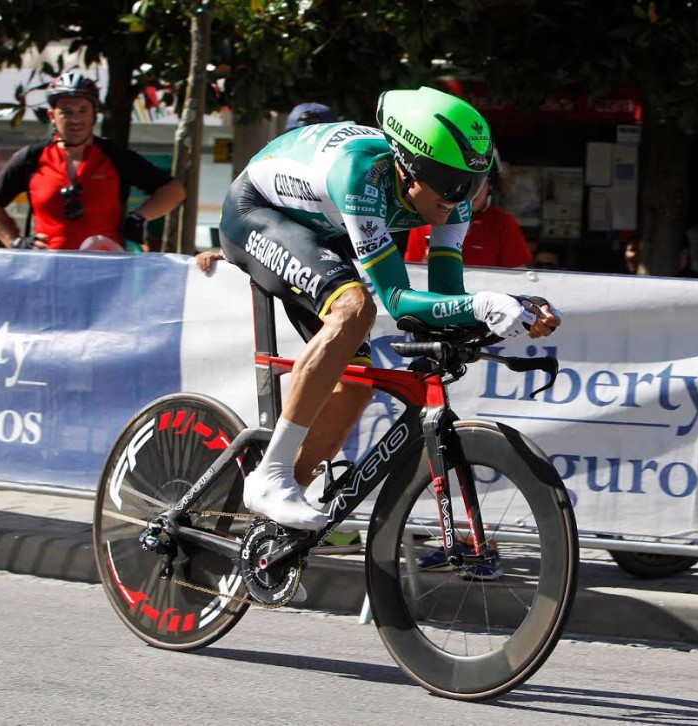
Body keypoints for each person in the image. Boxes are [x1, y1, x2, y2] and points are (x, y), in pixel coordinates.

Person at [218, 86, 561, 530]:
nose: (459, 199)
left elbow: (444, 294)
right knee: (354, 308)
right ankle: (271, 475)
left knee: (356, 386)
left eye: (472, 185)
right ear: (408, 168)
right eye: (451, 184)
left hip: (321, 226)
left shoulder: (447, 197)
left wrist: (509, 310)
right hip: (257, 212)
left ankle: (275, 529)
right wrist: (484, 304)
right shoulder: (360, 174)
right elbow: (397, 300)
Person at [0, 72, 186, 253]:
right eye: (66, 112)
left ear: (94, 114)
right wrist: (14, 242)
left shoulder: (114, 156)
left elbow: (174, 191)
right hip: (47, 273)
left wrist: (139, 217)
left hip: (104, 272)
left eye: (83, 110)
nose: (75, 119)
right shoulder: (32, 157)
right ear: (52, 116)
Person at [196, 101, 341, 275]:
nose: (305, 148)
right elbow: (254, 229)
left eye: (315, 138)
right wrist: (225, 254)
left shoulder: (349, 176)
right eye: (297, 137)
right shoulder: (265, 173)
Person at [403, 167, 532, 268]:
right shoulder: (426, 219)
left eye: (479, 184)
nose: (471, 192)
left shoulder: (503, 222)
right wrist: (426, 263)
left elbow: (519, 275)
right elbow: (411, 270)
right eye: (463, 184)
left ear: (490, 187)